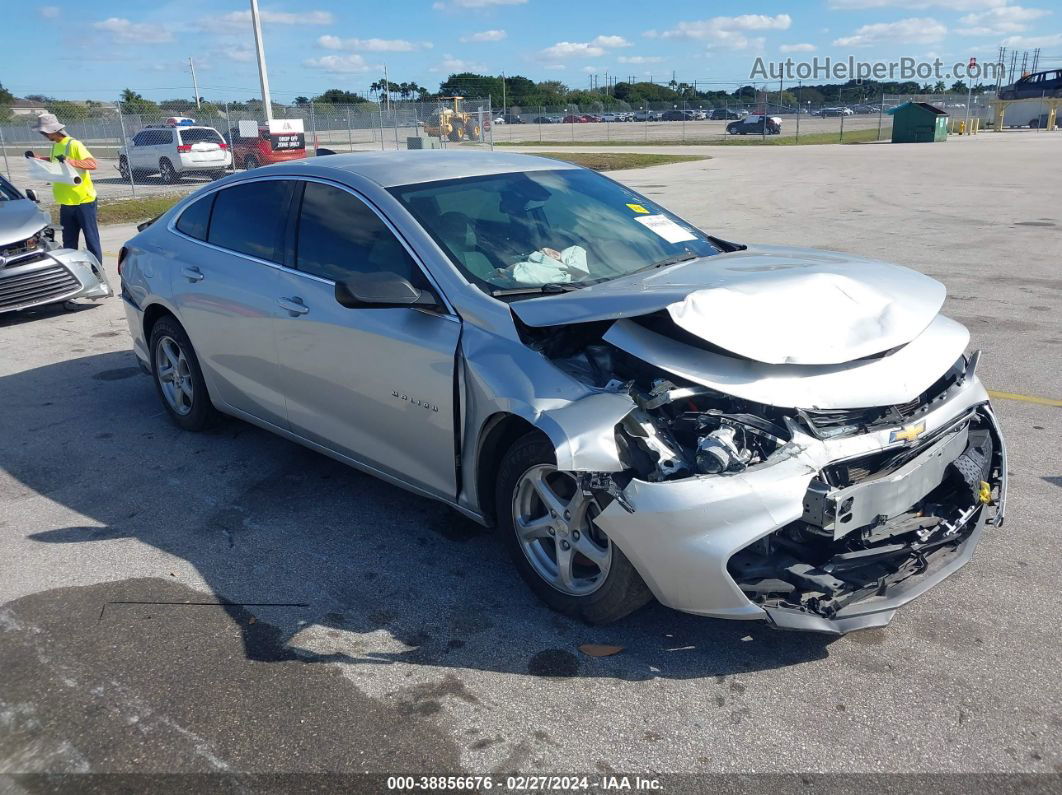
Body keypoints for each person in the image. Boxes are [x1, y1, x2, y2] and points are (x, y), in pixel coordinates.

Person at [24, 112, 102, 265]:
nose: (42, 134)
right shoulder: (55, 147)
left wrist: (70, 161)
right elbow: (55, 163)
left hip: (83, 201)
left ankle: (97, 270)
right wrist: (39, 159)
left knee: (91, 239)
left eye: (43, 131)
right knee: (69, 242)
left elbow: (92, 164)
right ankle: (74, 270)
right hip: (66, 202)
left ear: (53, 130)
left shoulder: (74, 144)